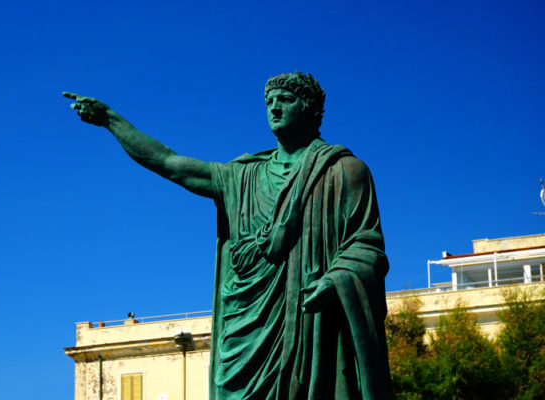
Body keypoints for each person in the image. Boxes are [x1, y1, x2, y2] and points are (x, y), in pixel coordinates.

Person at [64, 71, 391, 399]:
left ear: (310, 108)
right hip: (244, 333)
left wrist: (336, 280)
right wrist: (111, 120)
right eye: (269, 102)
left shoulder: (345, 172)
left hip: (308, 326)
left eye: (286, 100)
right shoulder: (241, 176)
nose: (274, 108)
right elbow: (169, 162)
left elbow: (367, 246)